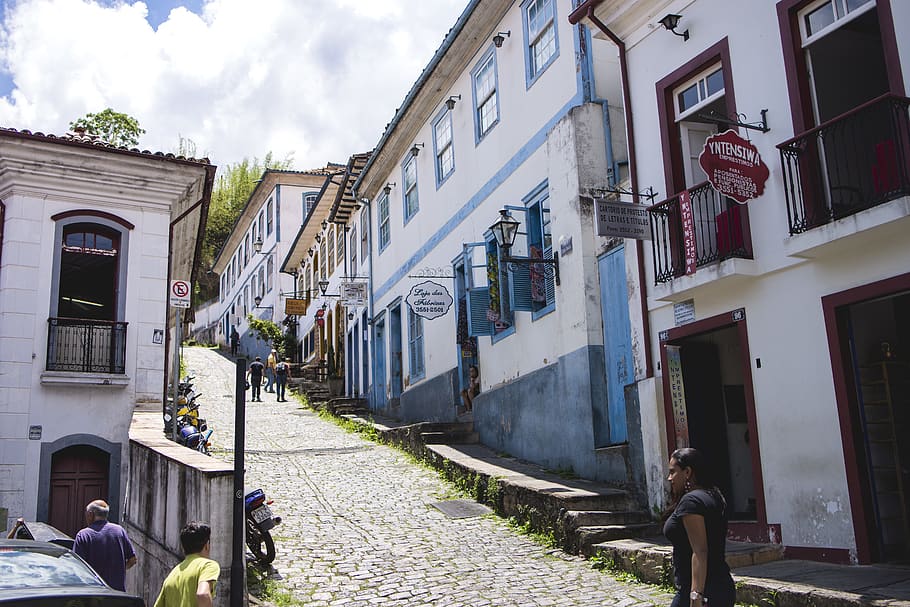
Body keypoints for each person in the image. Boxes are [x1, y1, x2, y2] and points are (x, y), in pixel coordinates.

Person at [663, 447, 735, 607]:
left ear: (687, 472)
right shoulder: (714, 494)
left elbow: (700, 551)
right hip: (721, 586)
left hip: (702, 591)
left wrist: (696, 596)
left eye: (673, 472)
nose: (669, 478)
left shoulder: (691, 502)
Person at [72, 500, 137, 592]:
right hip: (117, 594)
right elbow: (132, 560)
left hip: (93, 593)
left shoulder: (83, 535)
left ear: (90, 514)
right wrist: (119, 570)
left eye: (86, 513)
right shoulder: (119, 531)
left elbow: (77, 567)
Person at [153, 521, 219, 607]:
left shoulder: (172, 574)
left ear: (183, 547)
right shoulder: (207, 566)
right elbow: (203, 594)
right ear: (207, 545)